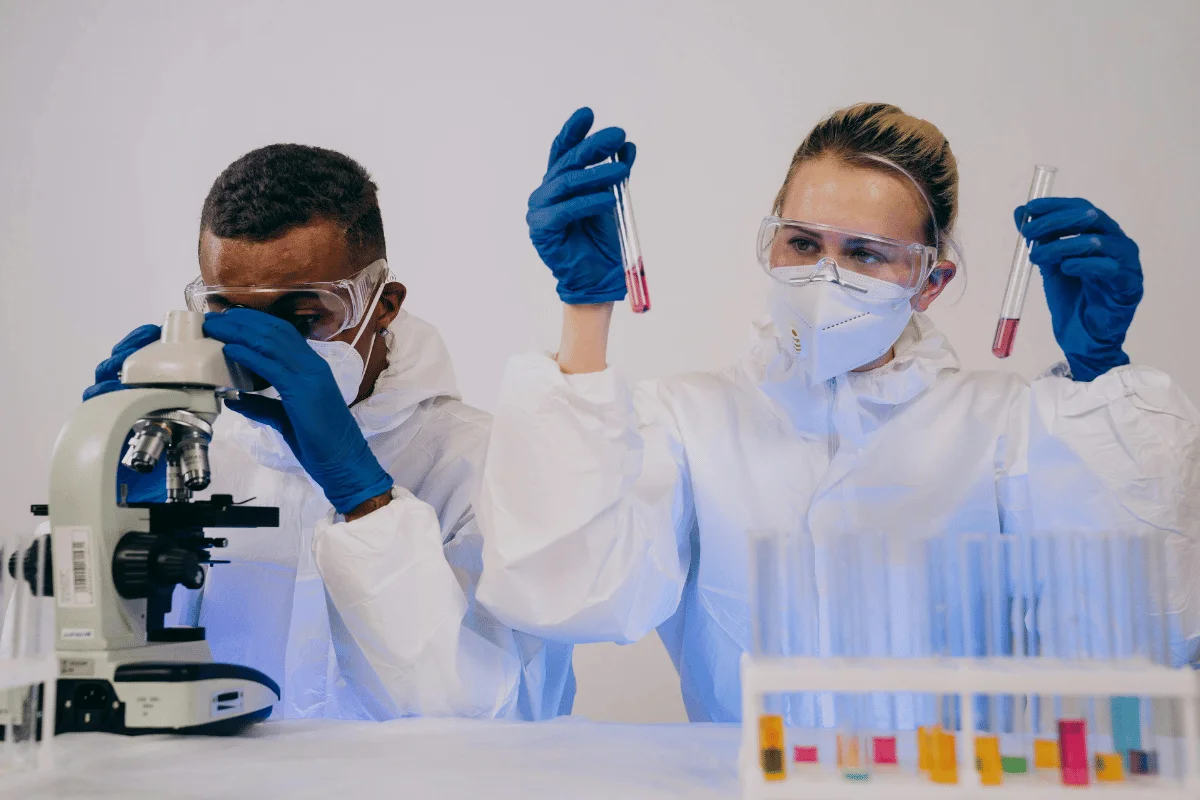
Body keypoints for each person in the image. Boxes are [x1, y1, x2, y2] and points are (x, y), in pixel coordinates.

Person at [475, 104, 1200, 723]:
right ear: (772, 244)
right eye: (802, 244)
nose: (826, 277)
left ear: (929, 279)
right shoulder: (692, 420)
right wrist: (584, 312)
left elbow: (1136, 635)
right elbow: (567, 595)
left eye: (866, 254)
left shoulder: (1007, 425)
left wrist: (1101, 379)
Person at [84, 144, 573, 720]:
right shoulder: (194, 447)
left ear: (383, 305)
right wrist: (109, 514)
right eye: (229, 313)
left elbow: (498, 716)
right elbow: (111, 681)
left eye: (303, 318)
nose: (265, 351)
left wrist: (364, 496)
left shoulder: (485, 464)